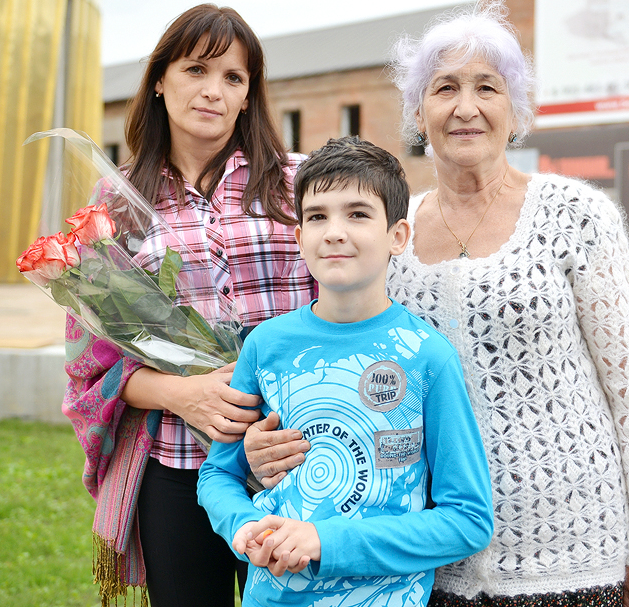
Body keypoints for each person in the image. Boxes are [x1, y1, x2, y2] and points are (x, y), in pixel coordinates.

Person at [244, 0, 629, 607]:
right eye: (445, 88)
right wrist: (274, 442)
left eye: (488, 88)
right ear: (418, 113)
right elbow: (345, 369)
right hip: (427, 561)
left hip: (574, 549)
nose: (466, 107)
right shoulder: (388, 234)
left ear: (515, 110)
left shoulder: (576, 216)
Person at [62, 4, 316, 607]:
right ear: (159, 80)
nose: (214, 91)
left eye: (234, 78)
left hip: (299, 456)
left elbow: (354, 302)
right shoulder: (117, 202)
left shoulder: (302, 184)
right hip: (175, 469)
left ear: (250, 95)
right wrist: (184, 394)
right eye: (196, 69)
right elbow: (90, 359)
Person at [197, 137, 494, 607]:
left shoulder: (426, 356)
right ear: (299, 238)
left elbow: (468, 520)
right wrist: (243, 526)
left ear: (398, 235)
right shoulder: (266, 346)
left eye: (357, 214)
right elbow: (217, 475)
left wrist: (324, 542)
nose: (333, 231)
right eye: (317, 216)